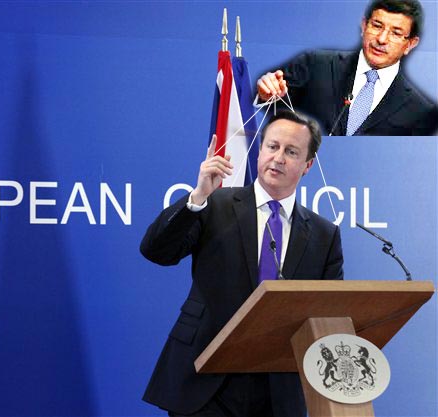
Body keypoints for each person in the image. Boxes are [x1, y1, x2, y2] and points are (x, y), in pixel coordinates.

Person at [140, 109, 343, 417]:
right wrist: (197, 197)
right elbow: (156, 251)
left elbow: (328, 314)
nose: (278, 158)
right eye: (272, 146)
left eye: (291, 152)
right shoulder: (214, 204)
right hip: (205, 378)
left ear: (307, 165)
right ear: (260, 150)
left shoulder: (324, 235)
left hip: (277, 390)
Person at [256, 0, 438, 136]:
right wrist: (266, 94)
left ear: (410, 44)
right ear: (364, 25)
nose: (382, 39)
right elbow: (273, 107)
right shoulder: (314, 64)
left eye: (396, 33)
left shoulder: (419, 111)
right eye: (377, 26)